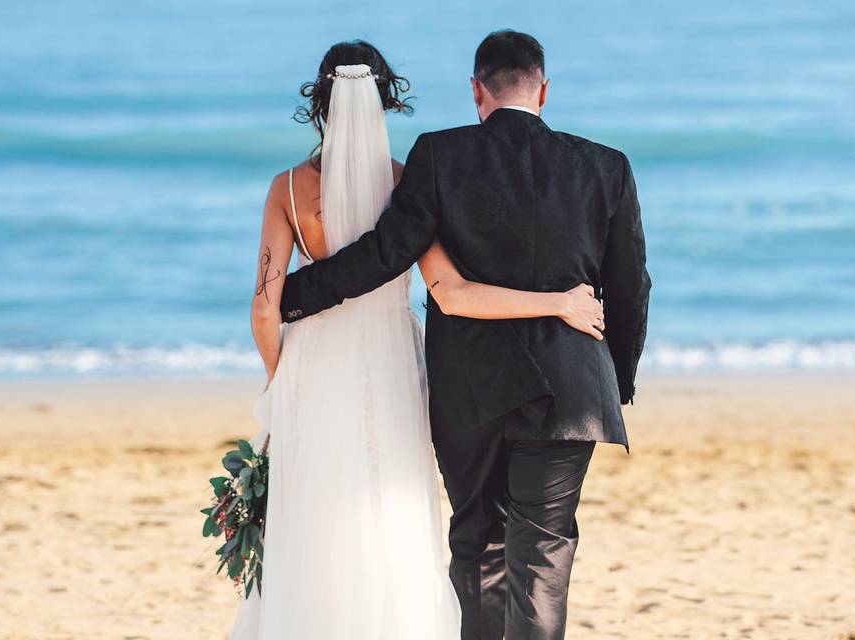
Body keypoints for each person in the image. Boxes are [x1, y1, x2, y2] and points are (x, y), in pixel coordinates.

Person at [276, 31, 650, 640]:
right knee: (543, 562)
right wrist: (619, 380)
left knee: (479, 544)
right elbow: (631, 288)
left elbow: (387, 252)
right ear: (544, 91)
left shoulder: (439, 155)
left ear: (476, 90)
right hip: (572, 392)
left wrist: (294, 298)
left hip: (469, 392)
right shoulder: (606, 167)